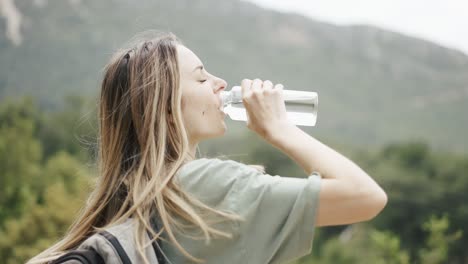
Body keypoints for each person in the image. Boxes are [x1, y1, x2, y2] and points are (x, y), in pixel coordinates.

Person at [29, 32, 387, 264]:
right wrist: (280, 129)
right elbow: (366, 196)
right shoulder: (207, 188)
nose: (221, 83)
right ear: (167, 108)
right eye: (202, 77)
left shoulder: (122, 203)